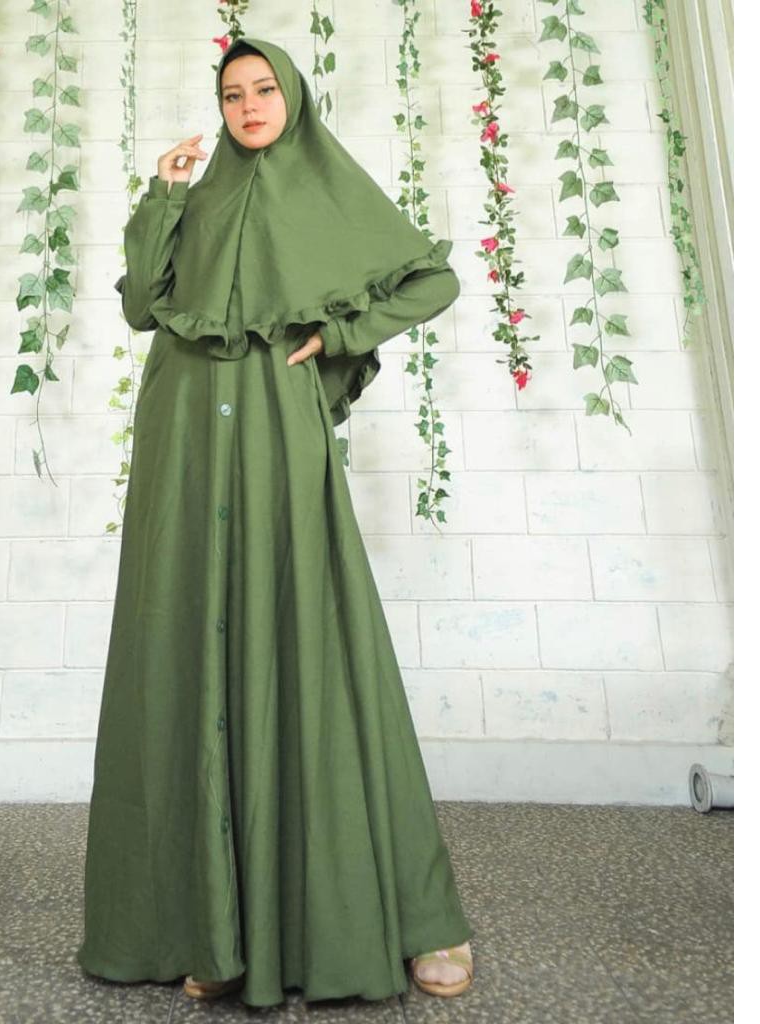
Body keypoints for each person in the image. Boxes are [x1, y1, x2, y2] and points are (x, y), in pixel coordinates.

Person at [75, 36, 475, 1007]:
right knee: (183, 650)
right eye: (232, 94)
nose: (249, 105)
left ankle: (412, 917)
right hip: (182, 432)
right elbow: (142, 306)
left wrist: (337, 334)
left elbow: (432, 281)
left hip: (273, 425)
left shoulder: (330, 188)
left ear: (291, 96)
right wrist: (163, 197)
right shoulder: (198, 195)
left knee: (313, 641)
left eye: (263, 89)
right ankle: (212, 928)